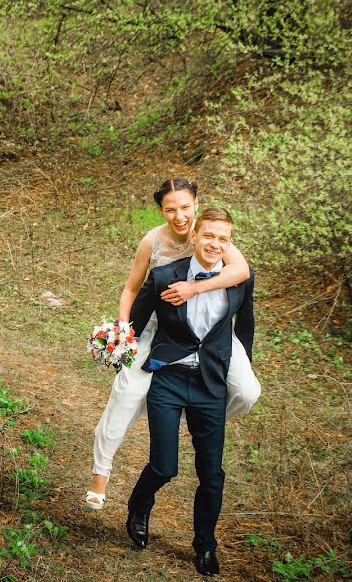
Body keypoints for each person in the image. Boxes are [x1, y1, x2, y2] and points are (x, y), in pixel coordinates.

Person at [85, 178, 260, 510]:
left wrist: (194, 289)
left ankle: (183, 412)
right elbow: (132, 287)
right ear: (161, 211)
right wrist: (124, 325)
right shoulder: (152, 241)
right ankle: (100, 473)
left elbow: (240, 272)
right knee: (128, 389)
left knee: (248, 391)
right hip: (160, 323)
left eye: (184, 207)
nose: (179, 216)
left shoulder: (210, 231)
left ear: (195, 203)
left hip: (210, 328)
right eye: (170, 210)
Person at [125, 206, 254, 576]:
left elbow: (244, 329)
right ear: (195, 235)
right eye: (209, 235)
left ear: (229, 244)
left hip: (209, 384)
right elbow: (135, 319)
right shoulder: (165, 275)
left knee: (211, 473)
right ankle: (139, 504)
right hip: (167, 380)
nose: (214, 243)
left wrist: (240, 370)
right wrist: (117, 346)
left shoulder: (239, 280)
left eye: (223, 239)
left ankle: (205, 546)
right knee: (165, 466)